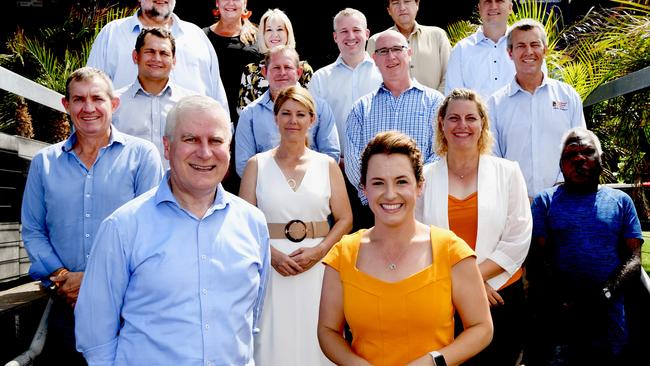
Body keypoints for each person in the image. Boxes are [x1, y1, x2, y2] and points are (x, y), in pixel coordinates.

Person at [75, 95, 270, 365]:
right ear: (167, 147)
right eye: (190, 139)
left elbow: (252, 317)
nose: (204, 153)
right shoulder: (123, 227)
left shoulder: (253, 224)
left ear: (229, 147)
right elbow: (95, 332)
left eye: (215, 141)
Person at [20, 67, 164, 365]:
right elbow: (33, 229)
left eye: (97, 98)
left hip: (126, 307)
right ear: (66, 105)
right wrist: (63, 278)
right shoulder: (43, 163)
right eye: (79, 99)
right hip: (63, 305)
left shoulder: (142, 156)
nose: (88, 108)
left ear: (114, 104)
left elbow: (152, 229)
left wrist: (95, 281)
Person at [318, 131, 493, 366]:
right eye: (378, 183)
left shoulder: (451, 250)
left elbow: (481, 327)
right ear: (364, 189)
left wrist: (433, 362)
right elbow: (328, 331)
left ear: (419, 186)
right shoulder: (343, 254)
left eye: (401, 181)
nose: (390, 194)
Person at [416, 89, 532, 365]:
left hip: (500, 295)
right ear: (441, 124)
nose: (462, 126)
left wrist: (474, 280)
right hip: (443, 299)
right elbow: (418, 238)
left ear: (483, 124)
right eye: (453, 118)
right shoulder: (424, 177)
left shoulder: (508, 172)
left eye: (471, 118)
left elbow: (518, 236)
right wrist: (464, 285)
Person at [239, 85, 352, 365]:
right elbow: (242, 223)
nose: (293, 121)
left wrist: (321, 250)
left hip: (317, 266)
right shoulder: (257, 165)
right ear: (275, 118)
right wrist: (270, 254)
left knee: (316, 336)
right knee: (273, 338)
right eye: (286, 113)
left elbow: (346, 218)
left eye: (301, 114)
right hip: (272, 265)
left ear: (312, 120)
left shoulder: (326, 165)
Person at [527, 127, 643, 365]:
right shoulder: (545, 202)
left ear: (601, 161)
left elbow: (634, 259)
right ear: (561, 165)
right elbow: (537, 258)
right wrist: (565, 300)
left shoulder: (621, 202)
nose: (579, 159)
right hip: (559, 319)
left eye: (588, 152)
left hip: (609, 320)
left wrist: (605, 294)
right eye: (571, 154)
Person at [345, 30, 443, 228]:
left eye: (397, 49)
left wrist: (412, 192)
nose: (390, 56)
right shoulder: (361, 108)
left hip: (425, 208)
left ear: (409, 53)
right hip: (374, 212)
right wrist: (376, 197)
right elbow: (353, 161)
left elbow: (440, 153)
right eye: (383, 51)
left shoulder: (435, 103)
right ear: (374, 59)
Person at [488, 18, 586, 198]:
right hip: (514, 203)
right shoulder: (495, 104)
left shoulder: (568, 96)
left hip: (564, 197)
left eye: (535, 44)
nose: (529, 52)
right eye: (520, 46)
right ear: (510, 53)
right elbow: (493, 157)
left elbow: (580, 148)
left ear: (545, 49)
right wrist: (515, 195)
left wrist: (560, 187)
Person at [87, 0, 229, 110]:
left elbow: (217, 98)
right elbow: (90, 91)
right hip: (127, 143)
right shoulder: (112, 34)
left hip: (190, 144)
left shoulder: (196, 36)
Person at [235, 46, 339, 177]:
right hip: (265, 191)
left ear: (299, 72)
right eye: (276, 68)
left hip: (312, 186)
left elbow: (330, 155)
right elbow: (243, 165)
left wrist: (303, 182)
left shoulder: (320, 108)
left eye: (288, 67)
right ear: (264, 72)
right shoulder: (250, 115)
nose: (282, 72)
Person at [113, 27, 198, 165]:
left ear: (174, 60)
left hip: (177, 186)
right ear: (136, 56)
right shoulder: (113, 104)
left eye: (164, 53)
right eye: (150, 51)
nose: (157, 58)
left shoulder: (191, 104)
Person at [308, 7, 383, 155]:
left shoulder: (384, 74)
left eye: (356, 30)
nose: (350, 36)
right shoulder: (320, 79)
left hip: (381, 164)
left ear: (367, 34)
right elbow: (311, 128)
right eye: (344, 31)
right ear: (335, 37)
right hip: (335, 165)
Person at [237, 8, 313, 114]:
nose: (275, 35)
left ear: (288, 33)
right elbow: (242, 111)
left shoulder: (303, 69)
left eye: (280, 29)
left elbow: (312, 108)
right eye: (269, 30)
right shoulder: (251, 71)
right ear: (262, 35)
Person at [367, 0, 451, 93]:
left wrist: (437, 104)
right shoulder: (376, 41)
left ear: (417, 4)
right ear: (389, 10)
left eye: (407, 1)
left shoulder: (437, 36)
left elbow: (449, 75)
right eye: (395, 3)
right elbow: (371, 82)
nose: (402, 8)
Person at [203, 0, 261, 122]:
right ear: (217, 3)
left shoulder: (259, 36)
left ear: (245, 4)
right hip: (210, 118)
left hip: (250, 120)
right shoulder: (202, 37)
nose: (230, 3)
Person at [445, 0, 515, 99]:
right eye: (487, 1)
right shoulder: (461, 50)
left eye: (499, 1)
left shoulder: (526, 47)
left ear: (510, 7)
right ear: (479, 8)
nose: (493, 6)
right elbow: (453, 100)